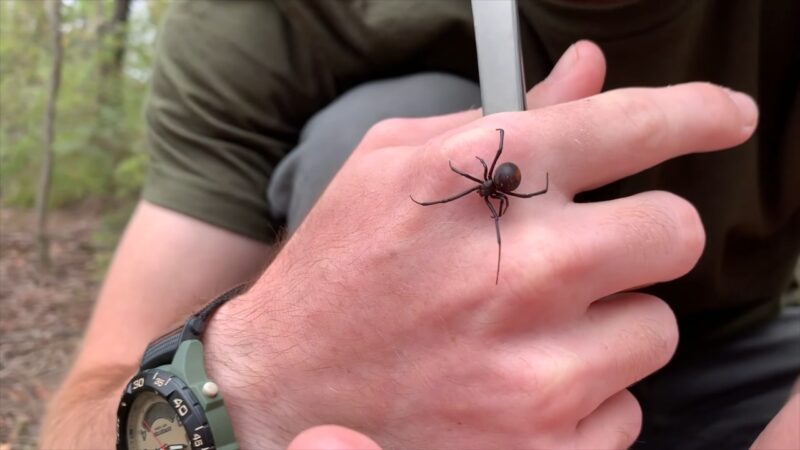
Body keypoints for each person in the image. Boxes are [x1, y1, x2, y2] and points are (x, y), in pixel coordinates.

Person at [41, 1, 800, 449]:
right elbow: (86, 404)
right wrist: (259, 386)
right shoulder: (266, 22)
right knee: (368, 132)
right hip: (389, 398)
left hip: (725, 357)